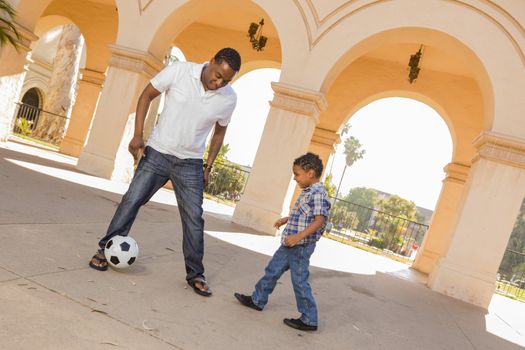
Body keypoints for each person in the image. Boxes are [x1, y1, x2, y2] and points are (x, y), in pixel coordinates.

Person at [89, 47, 242, 297]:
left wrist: (208, 165)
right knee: (131, 200)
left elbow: (220, 131)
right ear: (211, 61)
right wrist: (138, 135)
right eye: (217, 75)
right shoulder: (180, 71)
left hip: (190, 163)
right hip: (157, 153)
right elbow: (146, 96)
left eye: (225, 80)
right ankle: (104, 250)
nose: (218, 82)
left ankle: (196, 273)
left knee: (194, 218)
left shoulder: (229, 98)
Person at [234, 152, 331, 331]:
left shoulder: (318, 193)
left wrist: (298, 237)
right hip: (289, 244)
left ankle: (310, 318)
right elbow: (304, 215)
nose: (295, 178)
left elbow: (319, 221)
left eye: (297, 174)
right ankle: (257, 299)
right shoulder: (308, 191)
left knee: (300, 281)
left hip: (300, 247)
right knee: (272, 271)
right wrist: (286, 219)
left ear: (310, 173)